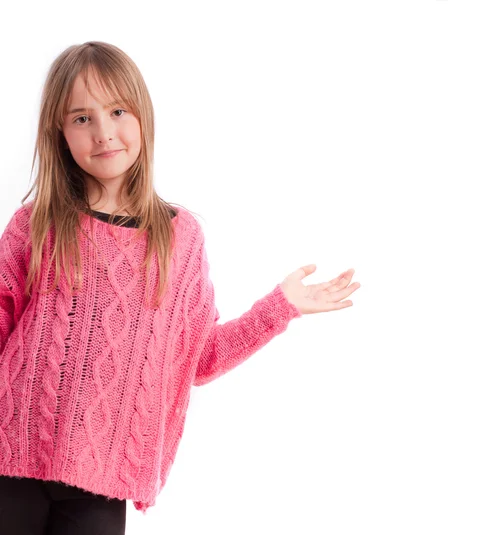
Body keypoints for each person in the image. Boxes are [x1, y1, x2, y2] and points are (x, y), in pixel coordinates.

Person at [0, 41, 360, 534]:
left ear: (143, 116)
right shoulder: (35, 225)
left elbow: (200, 357)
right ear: (59, 134)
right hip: (9, 455)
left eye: (117, 111)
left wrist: (279, 309)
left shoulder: (178, 238)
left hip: (101, 477)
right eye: (81, 118)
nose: (104, 132)